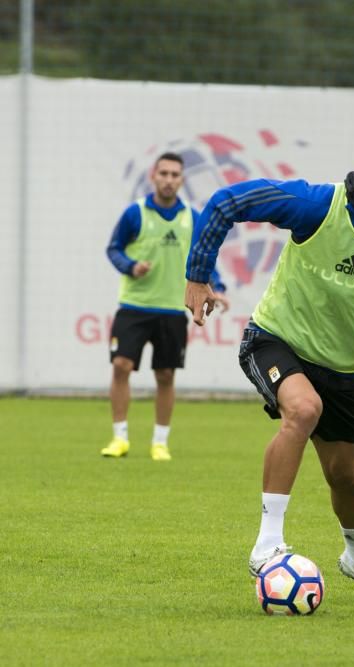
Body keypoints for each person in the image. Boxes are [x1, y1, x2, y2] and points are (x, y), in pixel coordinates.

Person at [185, 131, 354, 602]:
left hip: (341, 369)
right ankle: (267, 545)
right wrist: (198, 275)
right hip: (275, 340)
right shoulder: (315, 206)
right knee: (303, 410)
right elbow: (224, 203)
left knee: (346, 474)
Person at [103, 152, 229, 461]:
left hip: (173, 310)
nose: (169, 180)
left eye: (175, 175)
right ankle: (119, 438)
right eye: (164, 174)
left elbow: (206, 255)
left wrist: (219, 286)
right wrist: (130, 266)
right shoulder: (135, 214)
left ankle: (160, 442)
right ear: (153, 176)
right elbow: (113, 249)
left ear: (182, 180)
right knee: (121, 367)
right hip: (134, 305)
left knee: (166, 375)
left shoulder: (193, 217)